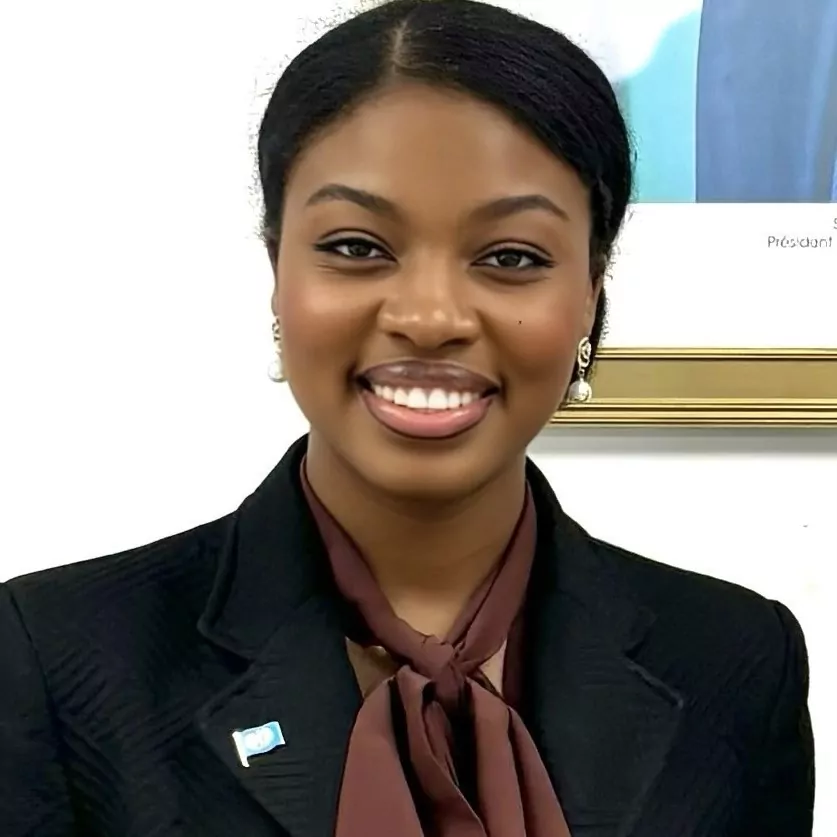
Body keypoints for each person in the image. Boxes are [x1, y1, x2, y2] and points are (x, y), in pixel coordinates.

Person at [0, 1, 815, 835]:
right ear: (275, 271)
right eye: (356, 246)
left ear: (589, 299)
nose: (429, 316)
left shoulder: (735, 661)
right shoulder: (57, 659)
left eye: (510, 257)